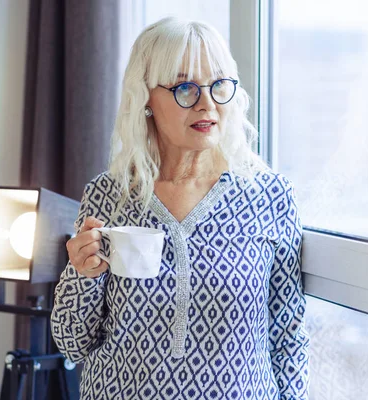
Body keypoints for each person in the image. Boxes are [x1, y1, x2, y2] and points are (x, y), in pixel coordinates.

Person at [51, 16, 310, 400]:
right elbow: (72, 342)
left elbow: (289, 338)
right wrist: (82, 275)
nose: (207, 103)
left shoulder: (269, 196)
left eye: (219, 85)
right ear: (146, 100)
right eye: (186, 88)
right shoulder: (109, 195)